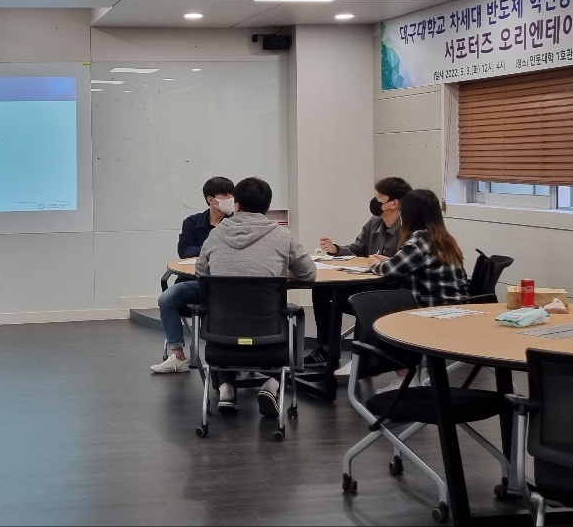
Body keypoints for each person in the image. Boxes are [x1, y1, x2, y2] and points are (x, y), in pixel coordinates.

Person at [196, 177, 316, 417]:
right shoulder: (282, 236)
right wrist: (283, 273)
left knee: (228, 313)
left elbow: (202, 273)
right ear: (267, 207)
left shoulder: (215, 235)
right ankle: (272, 384)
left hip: (220, 336)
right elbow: (309, 274)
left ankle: (226, 387)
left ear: (237, 205)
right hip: (270, 334)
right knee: (293, 322)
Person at [310, 176, 412, 373]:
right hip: (368, 281)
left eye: (380, 196)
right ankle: (326, 350)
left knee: (362, 296)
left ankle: (360, 359)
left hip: (390, 289)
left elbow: (401, 266)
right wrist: (335, 249)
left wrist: (382, 262)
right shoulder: (374, 222)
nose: (375, 200)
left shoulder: (407, 229)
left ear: (394, 203)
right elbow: (357, 249)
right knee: (322, 290)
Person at [149, 176, 235, 374]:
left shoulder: (236, 223)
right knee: (167, 298)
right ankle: (178, 356)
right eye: (225, 195)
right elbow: (184, 250)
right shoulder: (192, 222)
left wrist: (204, 251)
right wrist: (212, 249)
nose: (230, 199)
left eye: (232, 195)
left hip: (226, 284)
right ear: (211, 199)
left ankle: (233, 357)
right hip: (195, 282)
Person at [368, 188, 469, 308]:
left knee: (373, 303)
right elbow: (417, 262)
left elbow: (390, 270)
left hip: (435, 310)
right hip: (458, 307)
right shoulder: (442, 238)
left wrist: (374, 264)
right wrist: (390, 260)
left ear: (409, 215)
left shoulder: (419, 240)